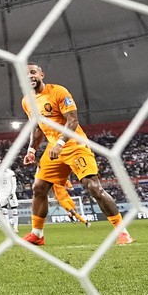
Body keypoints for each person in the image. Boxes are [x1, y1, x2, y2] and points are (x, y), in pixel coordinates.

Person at [21, 63, 133, 246]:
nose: (29, 77)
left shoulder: (58, 92)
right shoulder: (27, 101)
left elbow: (72, 121)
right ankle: (37, 234)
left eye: (33, 73)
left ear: (41, 74)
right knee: (38, 188)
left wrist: (60, 143)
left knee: (93, 187)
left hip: (74, 144)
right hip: (53, 148)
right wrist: (31, 150)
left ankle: (122, 232)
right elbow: (36, 126)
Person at [0, 166, 19, 232]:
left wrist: (12, 192)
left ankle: (15, 227)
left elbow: (14, 184)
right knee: (4, 210)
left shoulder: (10, 172)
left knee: (14, 210)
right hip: (2, 193)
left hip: (10, 193)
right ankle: (8, 227)